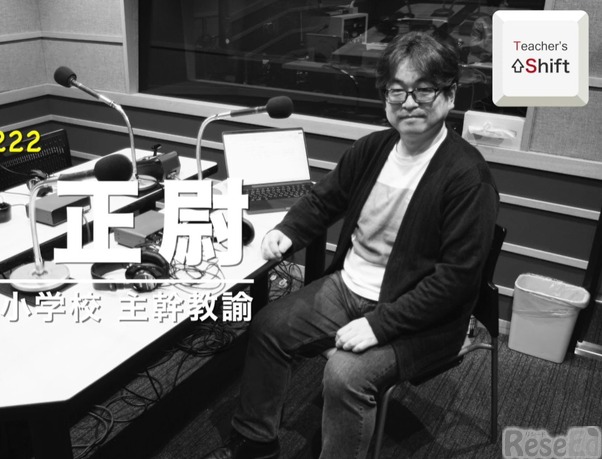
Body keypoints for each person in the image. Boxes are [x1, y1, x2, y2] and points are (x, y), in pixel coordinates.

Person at [201, 31, 499, 459]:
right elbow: (324, 199)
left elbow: (455, 281)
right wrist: (289, 229)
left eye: (424, 90)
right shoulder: (372, 149)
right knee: (269, 326)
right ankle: (256, 441)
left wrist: (380, 325)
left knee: (345, 375)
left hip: (423, 318)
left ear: (449, 95)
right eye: (397, 90)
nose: (409, 102)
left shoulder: (468, 177)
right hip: (349, 286)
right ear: (385, 97)